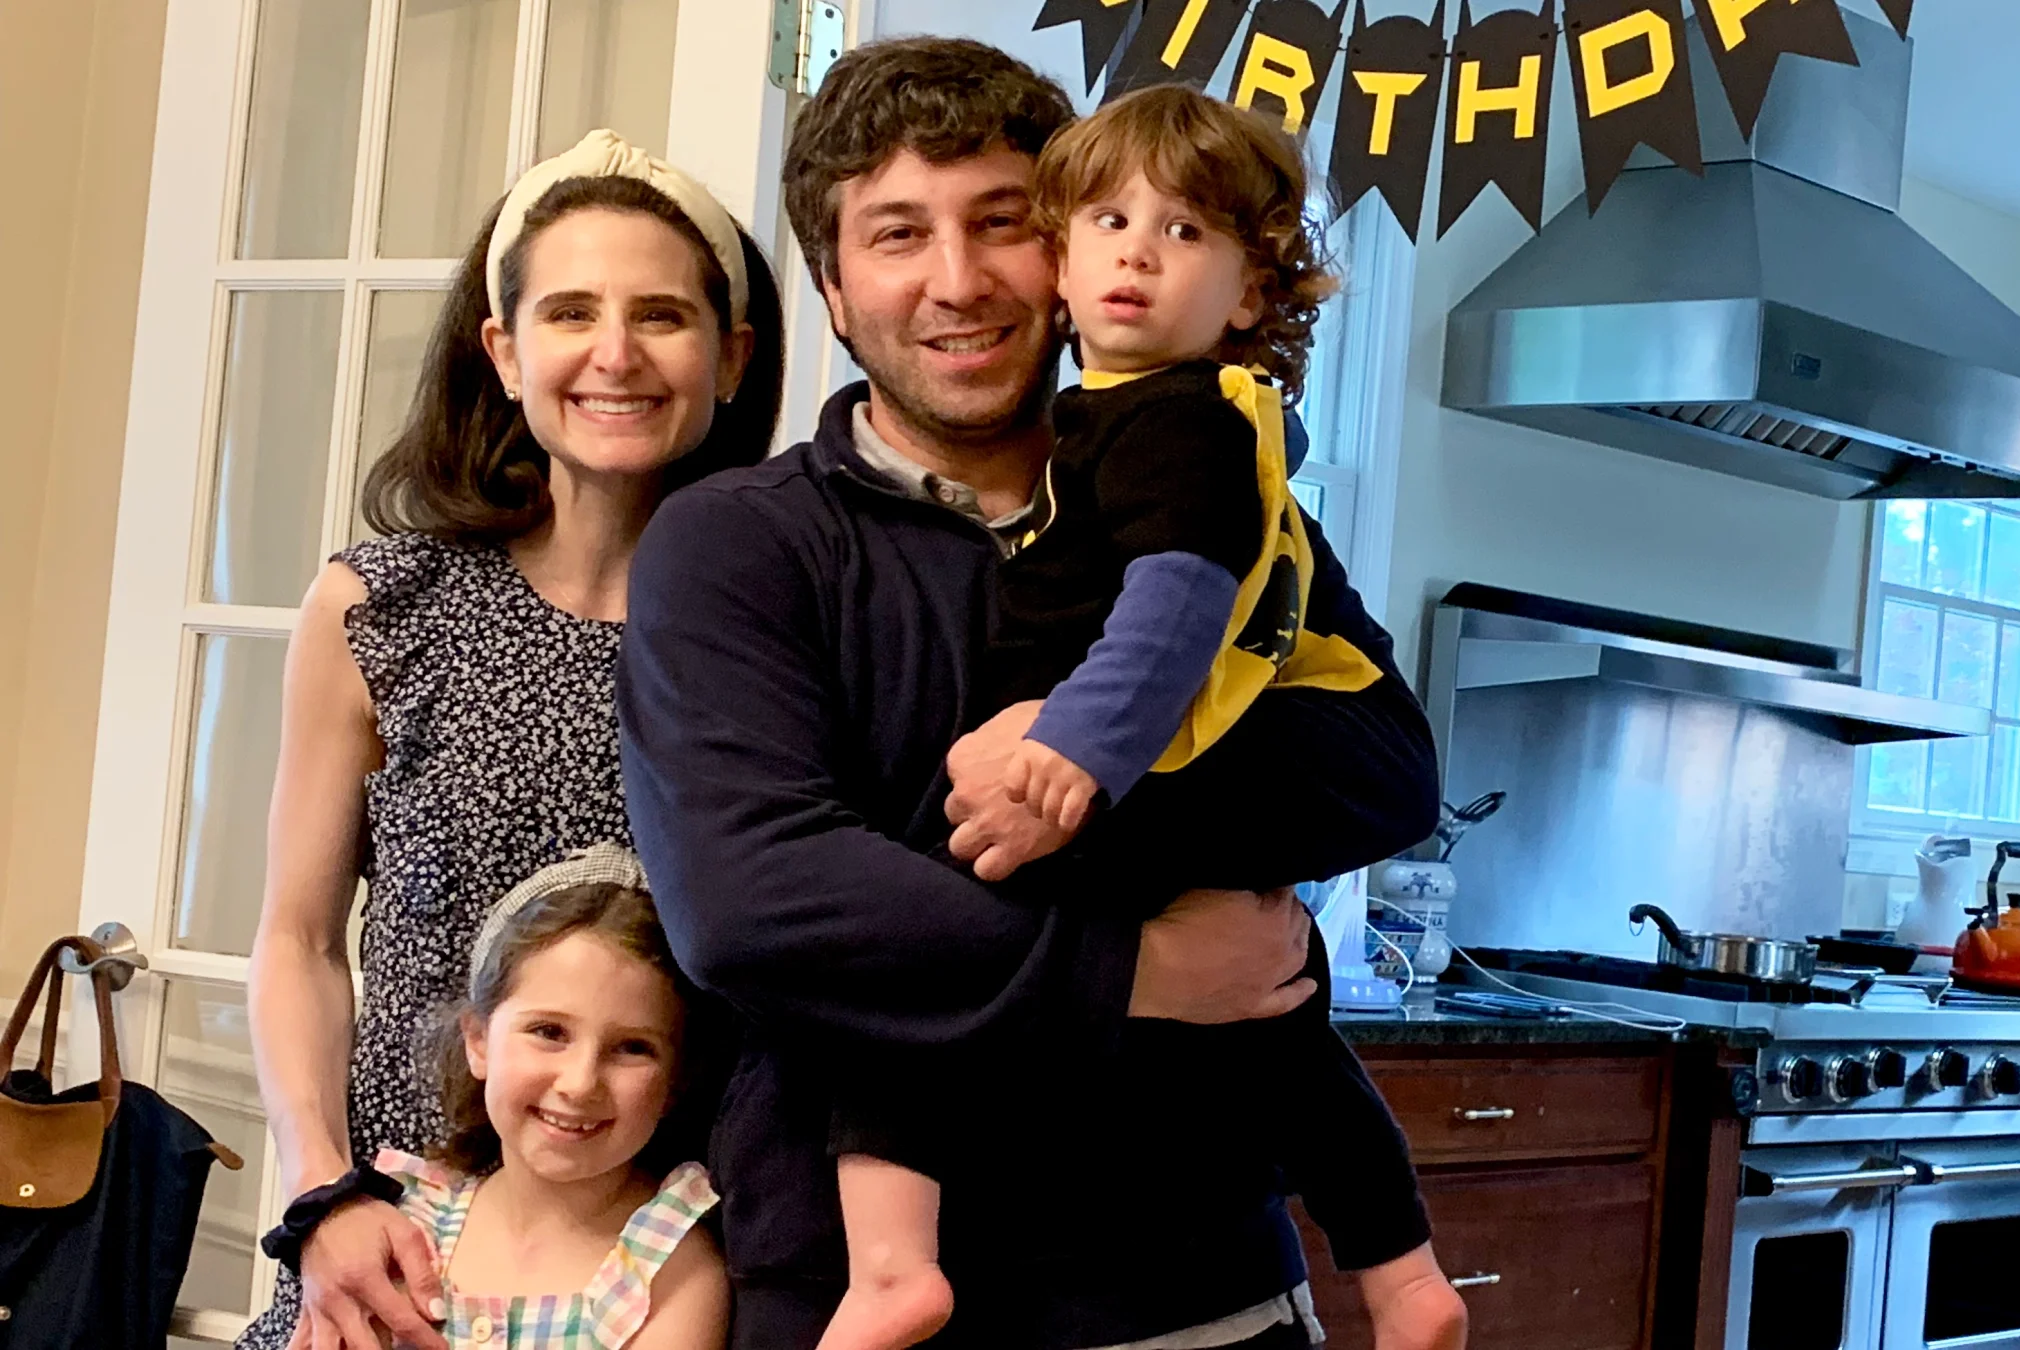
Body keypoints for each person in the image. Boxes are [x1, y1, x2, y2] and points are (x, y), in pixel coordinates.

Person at [619, 38, 1467, 1350]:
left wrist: (1095, 775)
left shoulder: (1207, 490)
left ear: (1062, 259)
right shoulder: (737, 543)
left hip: (1203, 1290)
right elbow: (757, 902)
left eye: (1001, 224)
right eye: (898, 235)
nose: (956, 281)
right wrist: (1141, 963)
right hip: (863, 1294)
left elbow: (1386, 770)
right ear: (836, 291)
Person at [821, 84, 1435, 1350]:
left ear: (1254, 295)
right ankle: (1403, 1270)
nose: (1136, 256)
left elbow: (1182, 612)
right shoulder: (1129, 424)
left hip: (1201, 1277)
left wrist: (1074, 754)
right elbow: (752, 906)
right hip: (1085, 1249)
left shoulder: (1176, 422)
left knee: (913, 997)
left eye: (1186, 234)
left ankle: (890, 1267)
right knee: (1280, 1017)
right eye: (1105, 221)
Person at [242, 130, 783, 1350]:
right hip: (385, 1252)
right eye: (572, 311)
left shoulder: (777, 632)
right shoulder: (382, 610)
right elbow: (294, 940)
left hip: (659, 1273)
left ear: (732, 356)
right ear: (504, 348)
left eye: (661, 315)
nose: (614, 354)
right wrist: (320, 1191)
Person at [375, 846, 725, 1346]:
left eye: (632, 1048)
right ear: (478, 1042)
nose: (581, 1083)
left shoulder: (669, 1267)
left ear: (677, 1079)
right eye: (549, 1032)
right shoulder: (407, 1224)